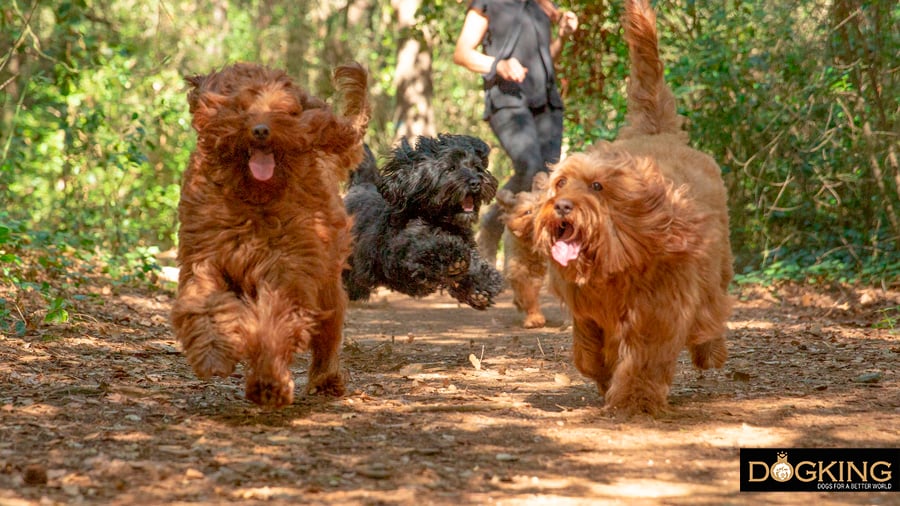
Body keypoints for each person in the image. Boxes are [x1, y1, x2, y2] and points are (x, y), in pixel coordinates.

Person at [454, 0, 578, 265]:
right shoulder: (488, 3)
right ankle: (493, 225)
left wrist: (563, 36)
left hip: (545, 101)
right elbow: (462, 53)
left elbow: (547, 59)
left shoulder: (542, 6)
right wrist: (499, 64)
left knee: (547, 176)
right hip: (506, 99)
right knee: (529, 166)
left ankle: (532, 254)